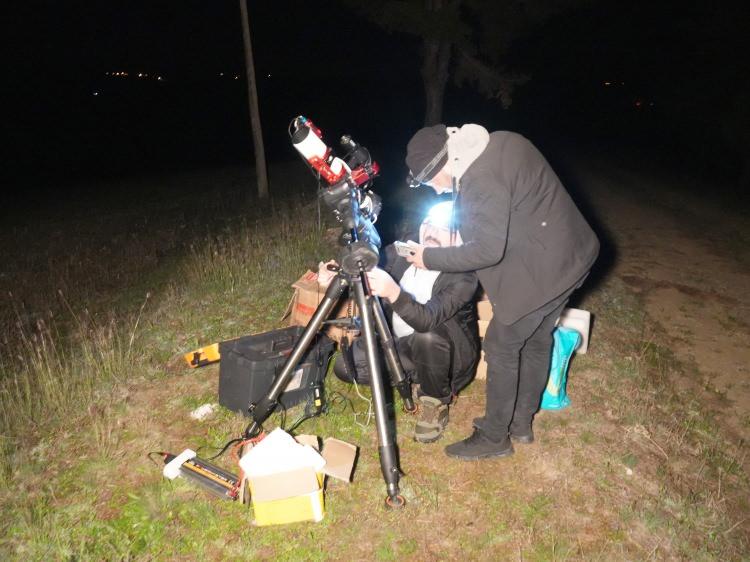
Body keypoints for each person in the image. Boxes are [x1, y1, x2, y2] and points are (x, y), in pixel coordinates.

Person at [403, 124, 599, 460]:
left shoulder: (480, 180)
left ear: (442, 166)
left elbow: (488, 250)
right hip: (572, 254)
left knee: (502, 345)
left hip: (548, 269)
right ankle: (521, 423)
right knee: (537, 339)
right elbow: (512, 218)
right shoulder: (499, 142)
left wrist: (429, 256)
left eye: (429, 181)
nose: (435, 191)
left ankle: (495, 437)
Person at [322, 201, 480, 443]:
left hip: (448, 357)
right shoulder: (403, 251)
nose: (431, 232)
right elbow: (366, 266)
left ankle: (436, 400)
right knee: (346, 367)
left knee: (427, 335)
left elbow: (427, 321)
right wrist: (340, 273)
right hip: (401, 344)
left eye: (442, 228)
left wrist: (393, 291)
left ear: (460, 239)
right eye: (428, 223)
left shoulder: (464, 276)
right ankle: (417, 375)